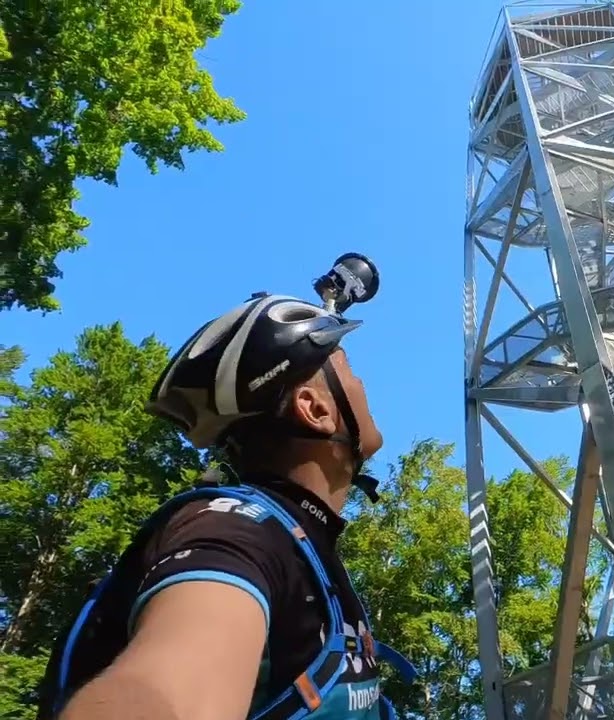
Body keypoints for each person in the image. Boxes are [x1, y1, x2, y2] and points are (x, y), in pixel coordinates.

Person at [37, 293, 413, 720]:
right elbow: (165, 693)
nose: (362, 384)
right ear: (315, 409)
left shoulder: (303, 551)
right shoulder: (236, 532)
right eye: (350, 372)